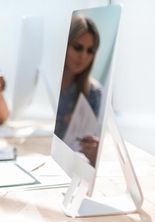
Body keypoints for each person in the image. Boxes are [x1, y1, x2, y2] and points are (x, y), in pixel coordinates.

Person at [55, 15, 102, 165]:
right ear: (64, 44)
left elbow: (84, 147)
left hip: (67, 166)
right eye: (78, 47)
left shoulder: (93, 92)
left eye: (90, 51)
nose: (83, 56)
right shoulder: (46, 82)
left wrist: (95, 153)